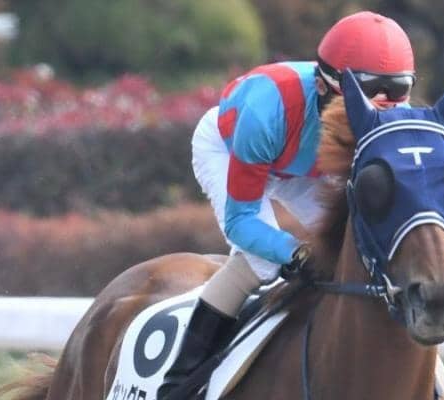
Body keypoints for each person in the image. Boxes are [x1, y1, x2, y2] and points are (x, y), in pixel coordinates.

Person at [157, 10, 417, 399]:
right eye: (367, 93)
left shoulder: (392, 115)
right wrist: (294, 253)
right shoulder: (266, 113)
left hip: (304, 165)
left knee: (359, 244)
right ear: (324, 86)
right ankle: (179, 381)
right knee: (260, 260)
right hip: (230, 147)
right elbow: (241, 222)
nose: (382, 110)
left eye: (397, 90)